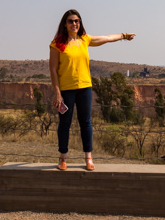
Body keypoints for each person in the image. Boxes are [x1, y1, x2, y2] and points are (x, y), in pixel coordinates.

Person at [49, 9, 135, 170]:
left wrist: (123, 35)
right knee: (64, 123)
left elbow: (107, 38)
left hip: (85, 88)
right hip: (66, 89)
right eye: (70, 21)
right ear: (64, 24)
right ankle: (63, 158)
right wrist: (57, 93)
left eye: (77, 21)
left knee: (86, 122)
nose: (74, 24)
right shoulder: (57, 44)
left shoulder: (84, 40)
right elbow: (53, 70)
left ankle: (88, 158)